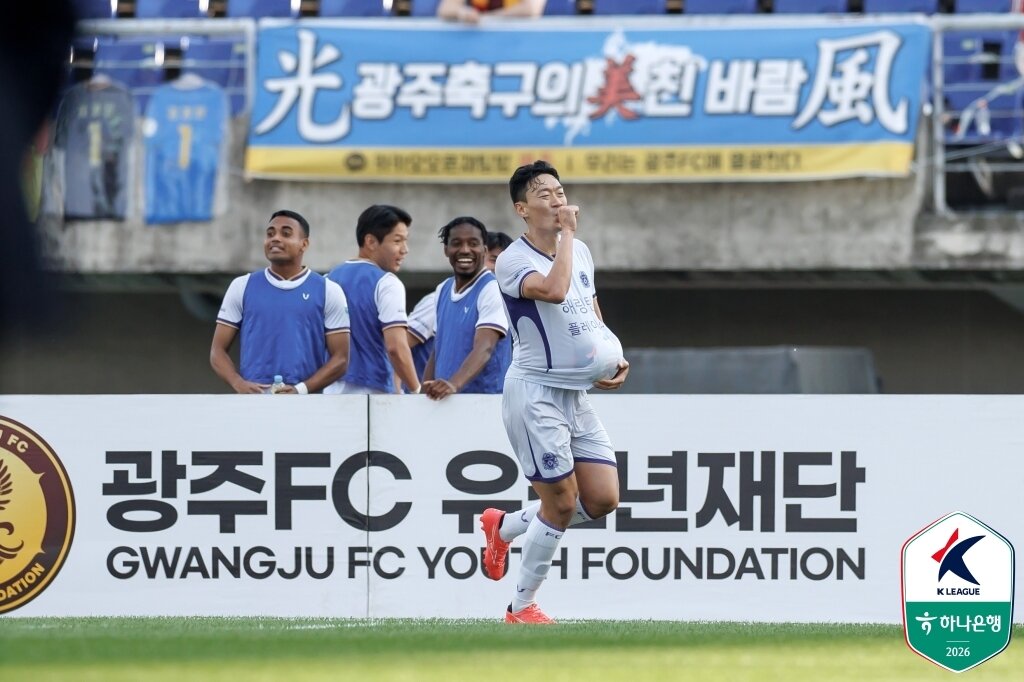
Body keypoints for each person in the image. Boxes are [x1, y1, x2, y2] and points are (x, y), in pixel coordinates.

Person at [483, 160, 630, 624]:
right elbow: (553, 289)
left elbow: (587, 305)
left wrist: (609, 355)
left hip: (575, 394)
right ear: (521, 209)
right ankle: (520, 607)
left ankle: (503, 527)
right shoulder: (512, 261)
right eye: (544, 193)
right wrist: (566, 236)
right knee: (562, 504)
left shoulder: (579, 251)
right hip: (535, 393)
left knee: (603, 499)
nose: (557, 199)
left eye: (560, 191)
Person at [210, 210, 350, 394]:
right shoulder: (242, 286)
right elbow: (217, 351)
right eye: (270, 234)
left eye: (286, 233)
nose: (275, 238)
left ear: (304, 244)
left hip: (306, 404)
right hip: (254, 403)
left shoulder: (329, 290)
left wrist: (301, 389)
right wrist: (238, 383)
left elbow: (341, 359)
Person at [325, 205, 420, 395]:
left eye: (405, 241)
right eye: (397, 241)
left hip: (329, 390)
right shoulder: (387, 283)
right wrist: (417, 390)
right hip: (371, 394)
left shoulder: (326, 280)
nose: (405, 249)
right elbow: (396, 347)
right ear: (370, 241)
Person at [422, 217, 511, 400]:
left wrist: (453, 384)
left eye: (473, 243)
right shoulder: (443, 289)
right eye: (456, 243)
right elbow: (437, 349)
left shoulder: (492, 288)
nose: (464, 250)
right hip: (447, 401)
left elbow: (485, 347)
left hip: (484, 402)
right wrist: (423, 394)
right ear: (446, 250)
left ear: (484, 250)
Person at [438, 0, 546, 24]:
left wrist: (485, 18)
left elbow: (531, 9)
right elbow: (446, 9)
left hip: (519, 43)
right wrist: (463, 13)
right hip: (478, 44)